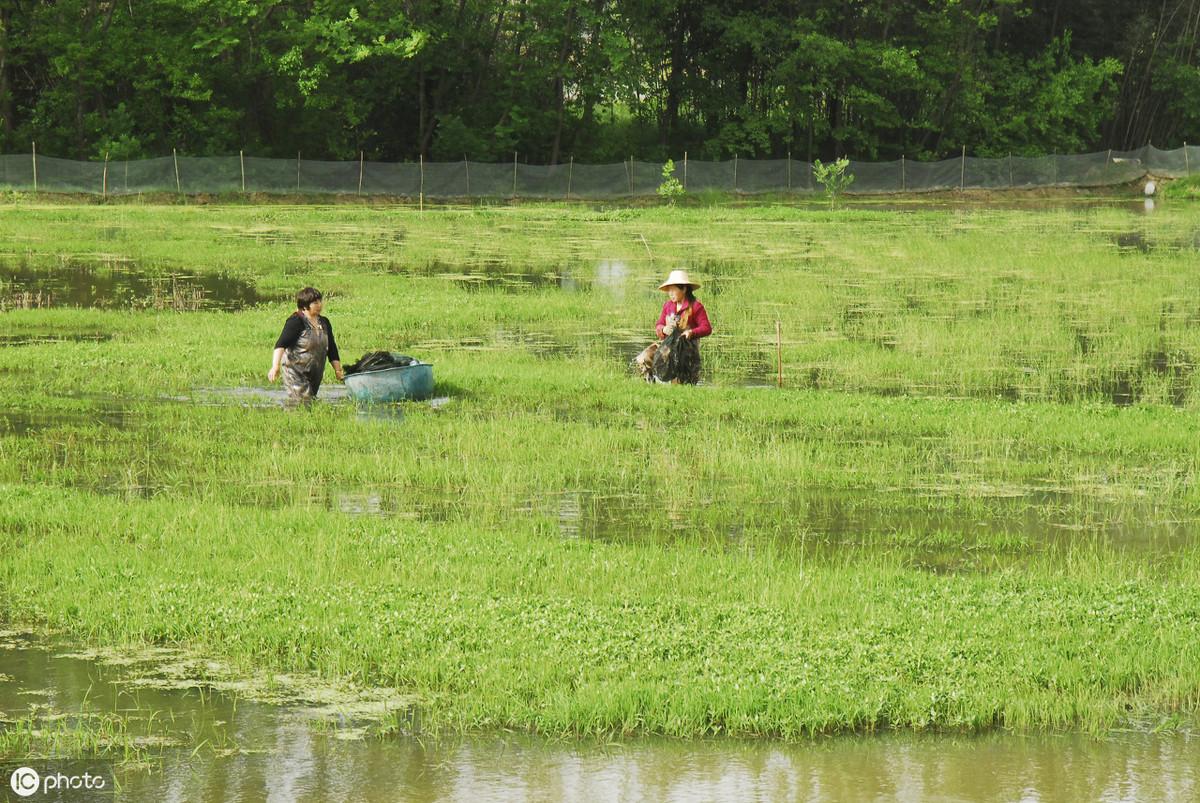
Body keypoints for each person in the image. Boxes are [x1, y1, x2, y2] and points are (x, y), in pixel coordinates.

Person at [634, 270, 712, 384]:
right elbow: (659, 324)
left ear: (684, 289)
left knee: (679, 386)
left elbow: (706, 328)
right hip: (668, 347)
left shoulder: (696, 306)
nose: (670, 293)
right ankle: (650, 386)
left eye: (673, 289)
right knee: (643, 358)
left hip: (686, 352)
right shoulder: (668, 306)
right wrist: (663, 329)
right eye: (669, 290)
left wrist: (691, 332)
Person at [268, 287, 343, 405]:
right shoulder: (296, 321)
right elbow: (280, 345)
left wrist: (338, 370)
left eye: (320, 301)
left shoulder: (324, 322)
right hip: (295, 372)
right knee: (303, 403)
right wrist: (275, 366)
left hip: (315, 371)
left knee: (310, 401)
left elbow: (331, 348)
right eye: (315, 302)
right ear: (304, 305)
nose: (319, 305)